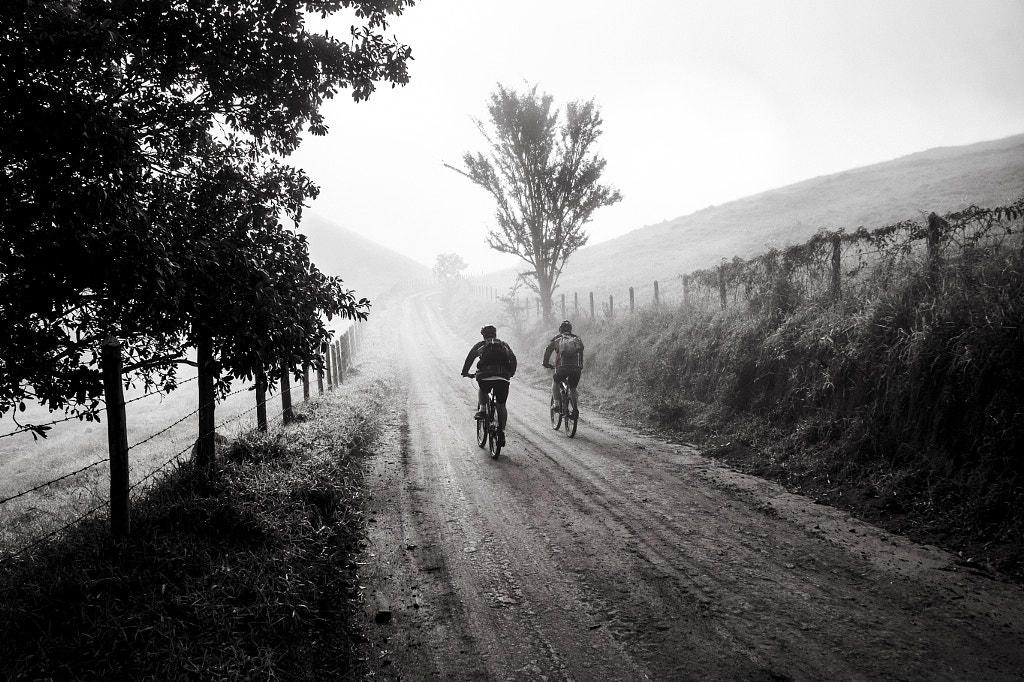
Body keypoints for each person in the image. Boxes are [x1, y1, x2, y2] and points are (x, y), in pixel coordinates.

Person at [461, 325, 517, 447]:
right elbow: (513, 358)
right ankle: (501, 431)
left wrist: (465, 372)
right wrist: (511, 373)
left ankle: (482, 410)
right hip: (503, 377)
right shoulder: (503, 345)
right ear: (495, 334)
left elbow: (470, 357)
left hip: (485, 376)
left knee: (483, 389)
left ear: (483, 335)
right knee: (501, 405)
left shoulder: (481, 345)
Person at [542, 320, 584, 418]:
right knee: (573, 387)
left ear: (560, 329)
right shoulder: (576, 338)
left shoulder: (557, 339)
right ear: (570, 329)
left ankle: (556, 404)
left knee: (556, 381)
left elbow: (548, 351)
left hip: (562, 367)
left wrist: (545, 363)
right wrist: (580, 365)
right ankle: (575, 408)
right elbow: (581, 351)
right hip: (576, 368)